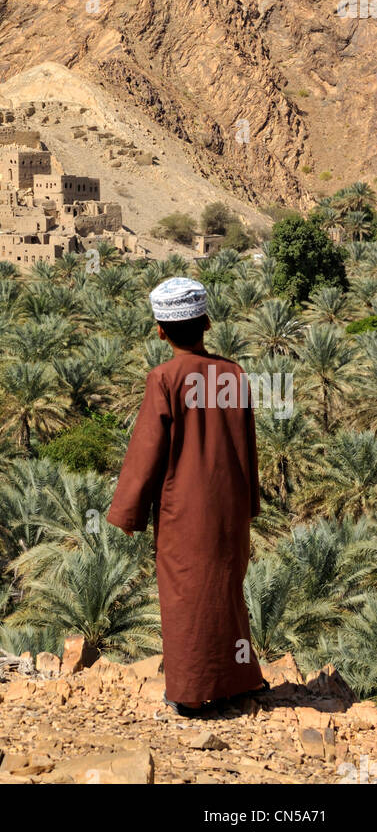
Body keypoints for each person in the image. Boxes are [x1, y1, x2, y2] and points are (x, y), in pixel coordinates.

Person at [107, 276, 265, 717]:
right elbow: (247, 445)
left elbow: (146, 451)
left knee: (187, 595)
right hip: (230, 507)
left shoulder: (163, 378)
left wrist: (127, 511)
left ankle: (190, 691)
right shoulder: (232, 373)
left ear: (160, 330)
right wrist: (250, 502)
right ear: (207, 322)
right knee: (227, 590)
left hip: (186, 510)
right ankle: (238, 680)